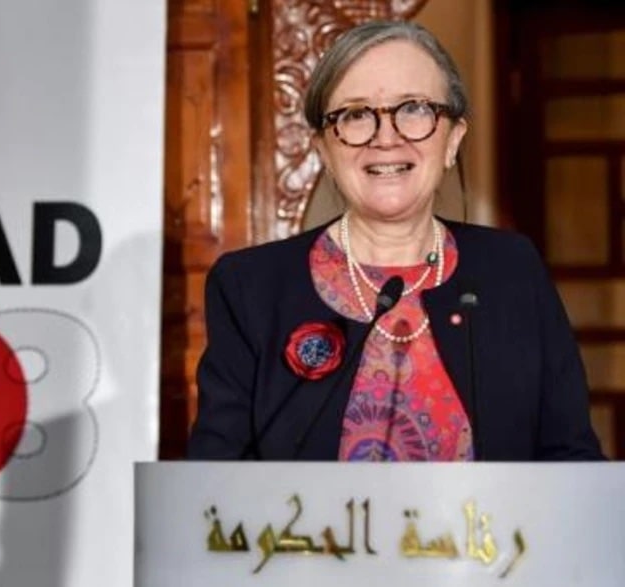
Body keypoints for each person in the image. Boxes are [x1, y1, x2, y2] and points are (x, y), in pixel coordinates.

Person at [186, 20, 604, 461]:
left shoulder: (512, 270)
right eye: (355, 114)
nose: (386, 138)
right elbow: (216, 477)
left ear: (453, 140)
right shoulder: (250, 286)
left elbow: (572, 459)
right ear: (324, 149)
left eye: (414, 109)